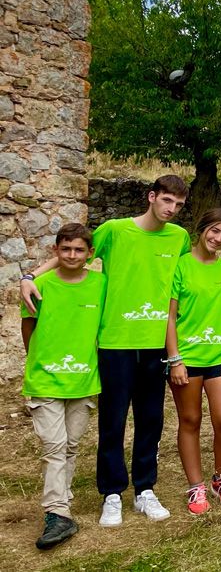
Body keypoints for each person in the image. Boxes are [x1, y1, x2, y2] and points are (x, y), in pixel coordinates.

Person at [20, 175, 201, 527]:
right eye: (167, 201)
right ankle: (113, 493)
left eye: (178, 205)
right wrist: (30, 274)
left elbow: (192, 269)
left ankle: (145, 489)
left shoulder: (178, 238)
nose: (172, 210)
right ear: (152, 197)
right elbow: (74, 251)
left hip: (155, 343)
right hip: (114, 342)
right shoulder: (115, 230)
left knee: (151, 420)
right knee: (113, 421)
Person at [19, 224, 106, 549]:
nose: (72, 255)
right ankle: (57, 513)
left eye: (78, 250)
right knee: (54, 447)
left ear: (89, 254)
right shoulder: (38, 287)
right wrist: (40, 362)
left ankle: (63, 499)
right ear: (56, 251)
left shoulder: (100, 285)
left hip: (83, 381)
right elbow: (29, 328)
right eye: (65, 249)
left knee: (70, 445)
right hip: (46, 380)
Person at [166, 208, 221, 514]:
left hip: (220, 357)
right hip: (186, 358)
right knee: (190, 420)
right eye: (214, 231)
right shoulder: (181, 266)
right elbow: (169, 316)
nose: (218, 238)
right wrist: (175, 359)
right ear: (201, 229)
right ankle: (196, 485)